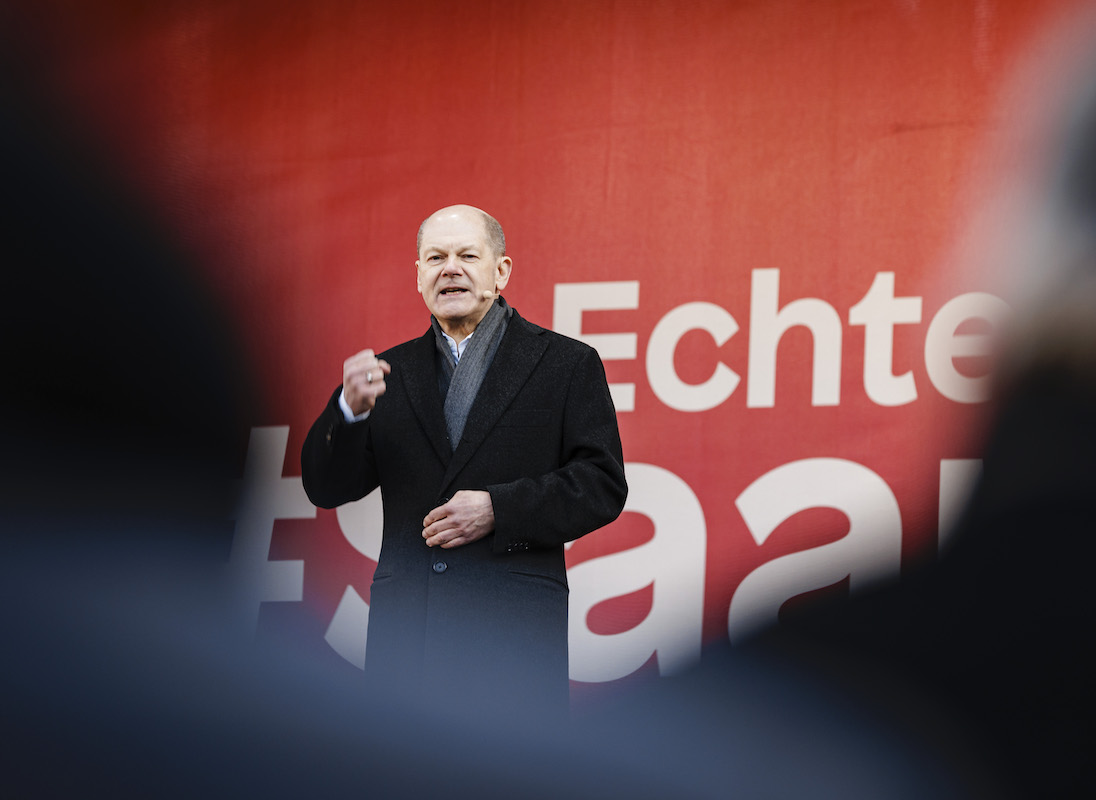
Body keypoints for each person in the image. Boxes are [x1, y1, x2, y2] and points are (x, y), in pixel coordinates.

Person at [301, 204, 627, 715]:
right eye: (435, 257)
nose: (449, 268)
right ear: (419, 277)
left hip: (512, 636)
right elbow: (325, 488)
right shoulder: (387, 374)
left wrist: (499, 509)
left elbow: (602, 484)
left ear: (501, 271)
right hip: (408, 639)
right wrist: (348, 413)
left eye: (466, 255)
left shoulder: (566, 363)